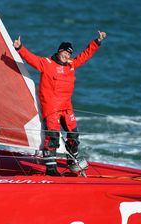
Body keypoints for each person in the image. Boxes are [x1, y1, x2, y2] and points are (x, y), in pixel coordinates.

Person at [13, 31, 106, 176]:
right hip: (51, 108)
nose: (67, 56)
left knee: (74, 136)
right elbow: (31, 59)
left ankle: (72, 161)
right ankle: (51, 170)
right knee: (53, 137)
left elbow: (85, 55)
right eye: (66, 52)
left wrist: (97, 42)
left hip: (67, 108)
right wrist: (20, 48)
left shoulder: (72, 65)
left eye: (69, 54)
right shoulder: (46, 63)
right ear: (59, 51)